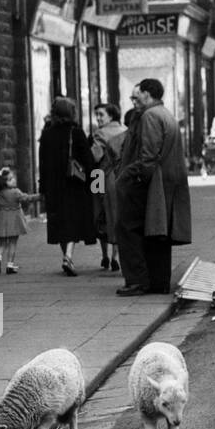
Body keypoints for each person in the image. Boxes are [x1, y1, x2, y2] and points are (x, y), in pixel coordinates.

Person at [115, 78, 192, 297]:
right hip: (167, 183)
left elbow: (148, 157)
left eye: (136, 96)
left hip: (150, 184)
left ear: (147, 94)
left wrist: (130, 178)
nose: (134, 101)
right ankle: (158, 282)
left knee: (129, 229)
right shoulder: (166, 114)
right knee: (157, 235)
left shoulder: (150, 116)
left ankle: (137, 281)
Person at [37, 97, 98, 276]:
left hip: (53, 185)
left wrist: (42, 188)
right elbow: (89, 161)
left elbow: (42, 162)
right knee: (72, 220)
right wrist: (98, 187)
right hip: (73, 183)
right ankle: (69, 257)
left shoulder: (46, 133)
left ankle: (66, 256)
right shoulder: (76, 132)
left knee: (59, 221)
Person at [0, 168, 41, 274]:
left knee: (2, 243)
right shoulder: (15, 192)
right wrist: (39, 196)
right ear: (4, 183)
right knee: (12, 243)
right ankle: (10, 265)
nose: (14, 180)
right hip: (15, 221)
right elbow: (27, 198)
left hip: (2, 220)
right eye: (10, 179)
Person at [90, 102, 128, 271]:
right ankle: (116, 254)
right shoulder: (124, 131)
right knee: (117, 213)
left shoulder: (100, 134)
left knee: (99, 213)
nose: (98, 118)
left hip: (98, 177)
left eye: (101, 115)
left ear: (111, 116)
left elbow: (95, 157)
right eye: (96, 115)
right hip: (119, 177)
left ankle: (105, 255)